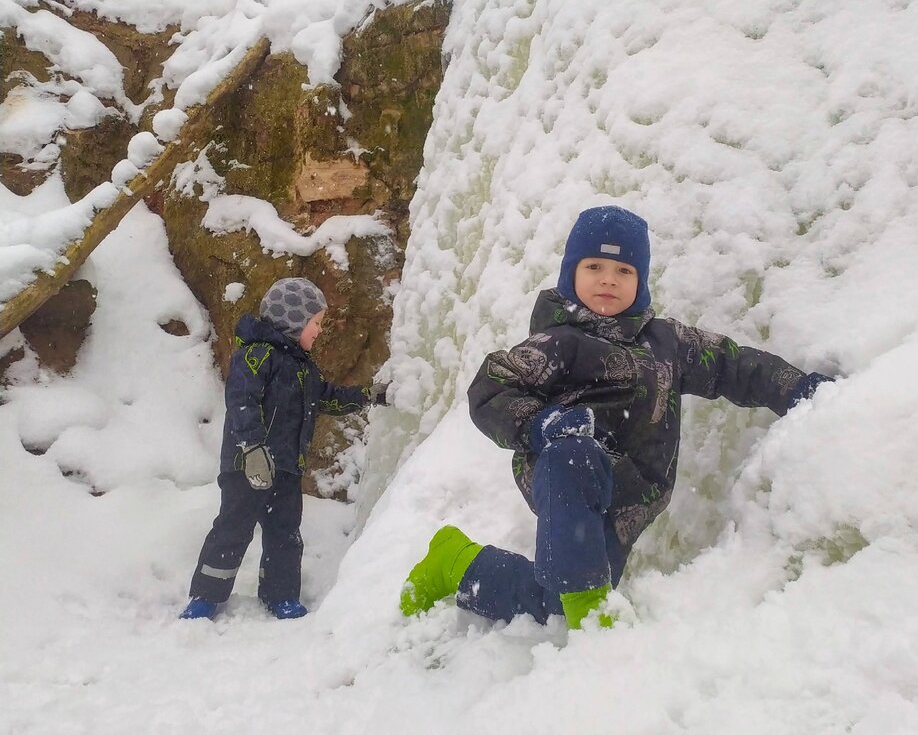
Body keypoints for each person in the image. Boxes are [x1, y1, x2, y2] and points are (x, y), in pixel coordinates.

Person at [399, 206, 833, 631]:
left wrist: (798, 389)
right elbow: (492, 386)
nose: (608, 279)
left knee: (555, 606)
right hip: (567, 473)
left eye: (624, 271)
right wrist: (541, 424)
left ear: (640, 282)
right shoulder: (558, 342)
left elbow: (731, 365)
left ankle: (455, 561)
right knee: (576, 464)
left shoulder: (668, 343)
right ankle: (588, 602)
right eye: (594, 267)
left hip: (632, 495)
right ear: (571, 274)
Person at [180, 277, 382, 620]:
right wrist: (252, 448)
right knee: (233, 528)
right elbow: (242, 402)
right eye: (316, 322)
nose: (319, 330)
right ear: (294, 320)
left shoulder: (304, 368)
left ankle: (281, 594)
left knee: (285, 533)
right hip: (247, 464)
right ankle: (205, 596)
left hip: (285, 468)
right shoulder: (256, 355)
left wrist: (368, 395)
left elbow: (328, 398)